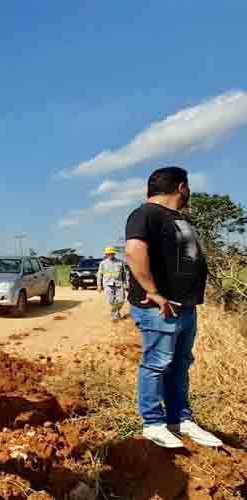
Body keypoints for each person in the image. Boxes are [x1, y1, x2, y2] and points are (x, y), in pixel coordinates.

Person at [125, 166, 222, 449]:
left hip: (185, 307)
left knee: (180, 365)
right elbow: (133, 251)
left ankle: (180, 419)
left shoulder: (177, 218)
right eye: (187, 187)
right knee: (157, 364)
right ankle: (153, 423)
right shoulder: (146, 214)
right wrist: (153, 292)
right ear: (181, 187)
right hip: (160, 309)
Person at [97, 247, 127, 321]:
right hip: (108, 284)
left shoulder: (120, 262)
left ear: (114, 254)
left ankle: (117, 311)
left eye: (111, 253)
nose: (110, 255)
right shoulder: (102, 263)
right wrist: (99, 285)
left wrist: (125, 283)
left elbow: (124, 274)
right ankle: (115, 315)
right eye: (108, 254)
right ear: (106, 254)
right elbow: (99, 275)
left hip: (119, 284)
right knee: (111, 301)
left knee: (121, 300)